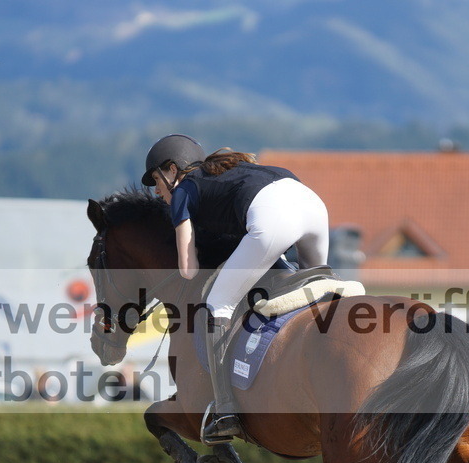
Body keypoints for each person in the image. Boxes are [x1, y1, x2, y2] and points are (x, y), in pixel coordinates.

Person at [141, 134, 329, 443]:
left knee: (216, 306)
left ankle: (225, 410)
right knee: (316, 289)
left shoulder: (184, 191)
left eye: (157, 181)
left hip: (273, 215)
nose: (158, 191)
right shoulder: (231, 172)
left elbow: (188, 270)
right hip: (313, 205)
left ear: (172, 169)